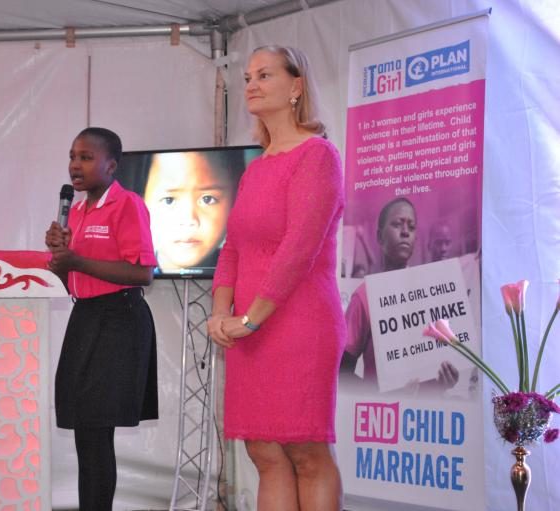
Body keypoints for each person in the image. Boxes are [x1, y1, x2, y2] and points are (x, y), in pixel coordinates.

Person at [207, 45, 344, 511]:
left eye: (264, 75)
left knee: (305, 449)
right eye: (247, 77)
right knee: (262, 449)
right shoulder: (257, 167)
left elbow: (298, 251)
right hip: (250, 325)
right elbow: (233, 249)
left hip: (298, 324)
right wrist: (221, 314)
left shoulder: (317, 156)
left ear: (296, 87)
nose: (250, 85)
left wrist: (250, 319)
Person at [45, 127, 158, 511]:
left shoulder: (127, 205)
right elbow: (73, 282)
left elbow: (142, 273)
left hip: (120, 320)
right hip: (86, 317)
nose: (76, 165)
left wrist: (76, 259)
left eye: (86, 157)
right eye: (73, 156)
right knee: (84, 431)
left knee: (96, 430)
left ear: (112, 165)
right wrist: (61, 261)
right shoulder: (75, 211)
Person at [340, 197, 459, 391]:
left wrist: (446, 381)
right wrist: (379, 395)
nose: (405, 232)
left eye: (411, 228)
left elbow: (441, 362)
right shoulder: (364, 296)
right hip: (385, 416)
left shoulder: (432, 292)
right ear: (379, 237)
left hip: (428, 416)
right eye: (397, 224)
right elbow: (343, 371)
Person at [143, 151, 243, 273]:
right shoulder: (131, 271)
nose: (189, 220)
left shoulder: (243, 271)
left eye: (207, 199)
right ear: (142, 202)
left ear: (235, 200)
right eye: (169, 200)